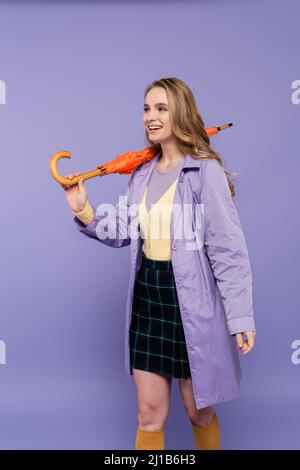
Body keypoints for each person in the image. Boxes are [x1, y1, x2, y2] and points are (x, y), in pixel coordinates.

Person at [60, 77, 256, 450]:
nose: (151, 116)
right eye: (147, 108)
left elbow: (228, 249)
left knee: (197, 410)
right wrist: (83, 209)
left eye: (161, 108)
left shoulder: (204, 172)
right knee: (148, 414)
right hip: (149, 297)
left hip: (192, 303)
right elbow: (122, 231)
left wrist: (241, 316)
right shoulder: (142, 173)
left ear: (180, 113)